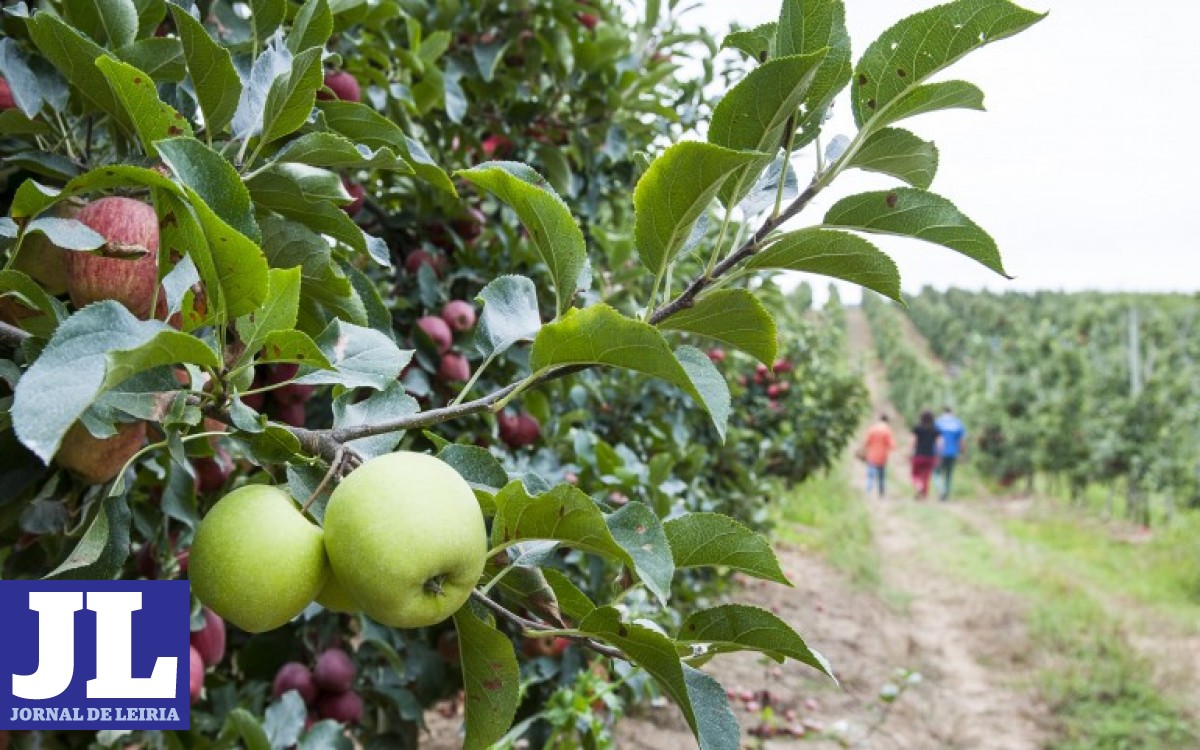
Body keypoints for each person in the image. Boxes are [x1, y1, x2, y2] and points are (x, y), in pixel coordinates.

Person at [934, 406, 966, 501]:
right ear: (952, 412)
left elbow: (935, 438)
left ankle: (941, 489)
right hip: (953, 452)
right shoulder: (958, 423)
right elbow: (962, 441)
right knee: (949, 474)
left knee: (936, 472)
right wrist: (963, 453)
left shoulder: (938, 422)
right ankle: (946, 493)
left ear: (943, 412)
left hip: (939, 452)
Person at [862, 414, 896, 498]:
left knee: (870, 475)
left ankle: (868, 491)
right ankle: (881, 493)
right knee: (881, 476)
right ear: (887, 421)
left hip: (872, 455)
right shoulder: (887, 430)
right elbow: (892, 445)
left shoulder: (872, 429)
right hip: (882, 456)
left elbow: (866, 442)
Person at [911, 411, 938, 500]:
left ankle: (919, 486)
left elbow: (914, 441)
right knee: (926, 476)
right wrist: (939, 454)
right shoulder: (935, 429)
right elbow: (940, 443)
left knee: (915, 474)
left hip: (919, 455)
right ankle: (924, 494)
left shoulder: (918, 428)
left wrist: (910, 451)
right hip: (930, 456)